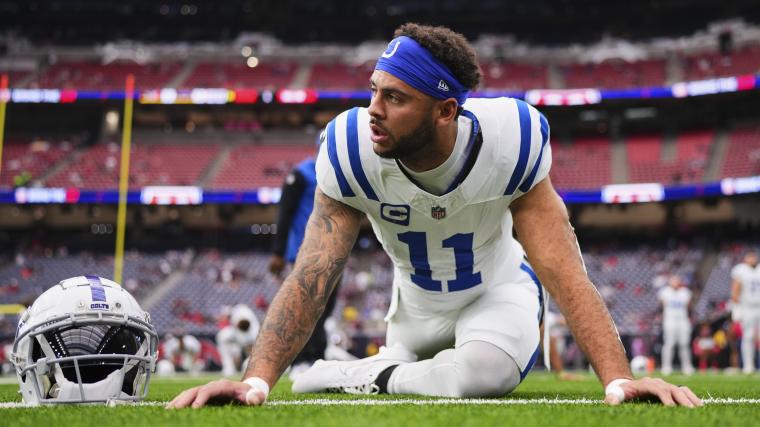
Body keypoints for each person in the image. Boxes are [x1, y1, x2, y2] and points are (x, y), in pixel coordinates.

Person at [167, 23, 701, 409]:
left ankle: (366, 375)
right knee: (442, 366)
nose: (373, 110)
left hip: (495, 291)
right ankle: (387, 365)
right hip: (415, 309)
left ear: (446, 111)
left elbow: (563, 268)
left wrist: (618, 380)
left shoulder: (510, 140)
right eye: (374, 90)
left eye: (395, 98)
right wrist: (256, 381)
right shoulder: (350, 148)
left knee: (482, 373)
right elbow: (313, 272)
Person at [268, 137, 342, 375]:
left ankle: (316, 357)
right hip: (305, 251)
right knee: (305, 308)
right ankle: (301, 360)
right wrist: (278, 252)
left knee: (325, 309)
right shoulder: (301, 175)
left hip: (334, 252)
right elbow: (284, 214)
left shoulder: (341, 176)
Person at [657, 275, 695, 375]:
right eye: (673, 281)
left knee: (684, 344)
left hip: (683, 320)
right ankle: (666, 366)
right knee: (669, 344)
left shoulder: (685, 292)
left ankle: (687, 366)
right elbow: (661, 304)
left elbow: (689, 306)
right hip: (669, 321)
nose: (675, 283)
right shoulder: (665, 292)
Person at [731, 250, 760, 373]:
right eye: (750, 257)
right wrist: (736, 308)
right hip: (747, 307)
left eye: (754, 256)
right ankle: (748, 365)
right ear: (745, 258)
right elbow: (735, 289)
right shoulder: (740, 270)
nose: (752, 259)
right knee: (748, 336)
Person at [216, 304, 260, 377]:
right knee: (222, 336)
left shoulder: (254, 331)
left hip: (249, 337)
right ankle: (229, 368)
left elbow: (243, 323)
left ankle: (248, 367)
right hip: (238, 335)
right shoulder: (238, 311)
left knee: (249, 359)